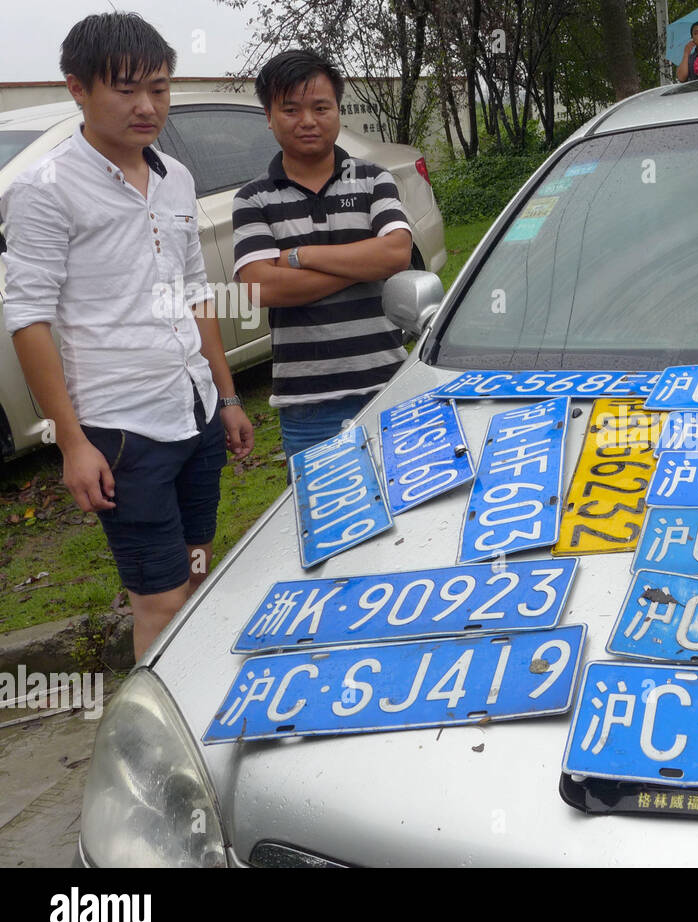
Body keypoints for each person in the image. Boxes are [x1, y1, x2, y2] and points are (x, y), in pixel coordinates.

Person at [1, 13, 254, 660]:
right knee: (158, 599)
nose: (148, 106)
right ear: (77, 88)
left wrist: (225, 398)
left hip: (194, 408)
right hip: (121, 430)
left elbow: (198, 291)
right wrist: (73, 442)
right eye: (126, 88)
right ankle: (157, 739)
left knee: (196, 568)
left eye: (160, 88)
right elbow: (27, 317)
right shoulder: (42, 189)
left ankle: (194, 696)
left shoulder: (175, 176)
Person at [232, 50, 414, 462]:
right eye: (291, 109)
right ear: (269, 116)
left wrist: (300, 256)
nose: (308, 120)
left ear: (337, 110)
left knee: (409, 515)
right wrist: (361, 264)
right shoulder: (253, 199)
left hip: (387, 385)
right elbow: (261, 287)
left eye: (320, 107)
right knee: (328, 521)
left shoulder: (373, 179)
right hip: (307, 404)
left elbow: (397, 253)